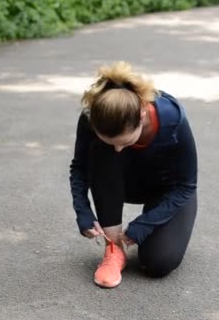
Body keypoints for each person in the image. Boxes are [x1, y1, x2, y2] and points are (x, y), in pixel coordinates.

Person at [69, 61, 198, 288]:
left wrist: (145, 225)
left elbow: (186, 186)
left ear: (141, 116)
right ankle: (114, 250)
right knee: (102, 151)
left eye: (125, 142)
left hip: (165, 189)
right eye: (113, 143)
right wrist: (83, 211)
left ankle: (149, 235)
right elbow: (79, 168)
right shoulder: (93, 117)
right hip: (118, 183)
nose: (119, 149)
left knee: (157, 263)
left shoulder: (172, 120)